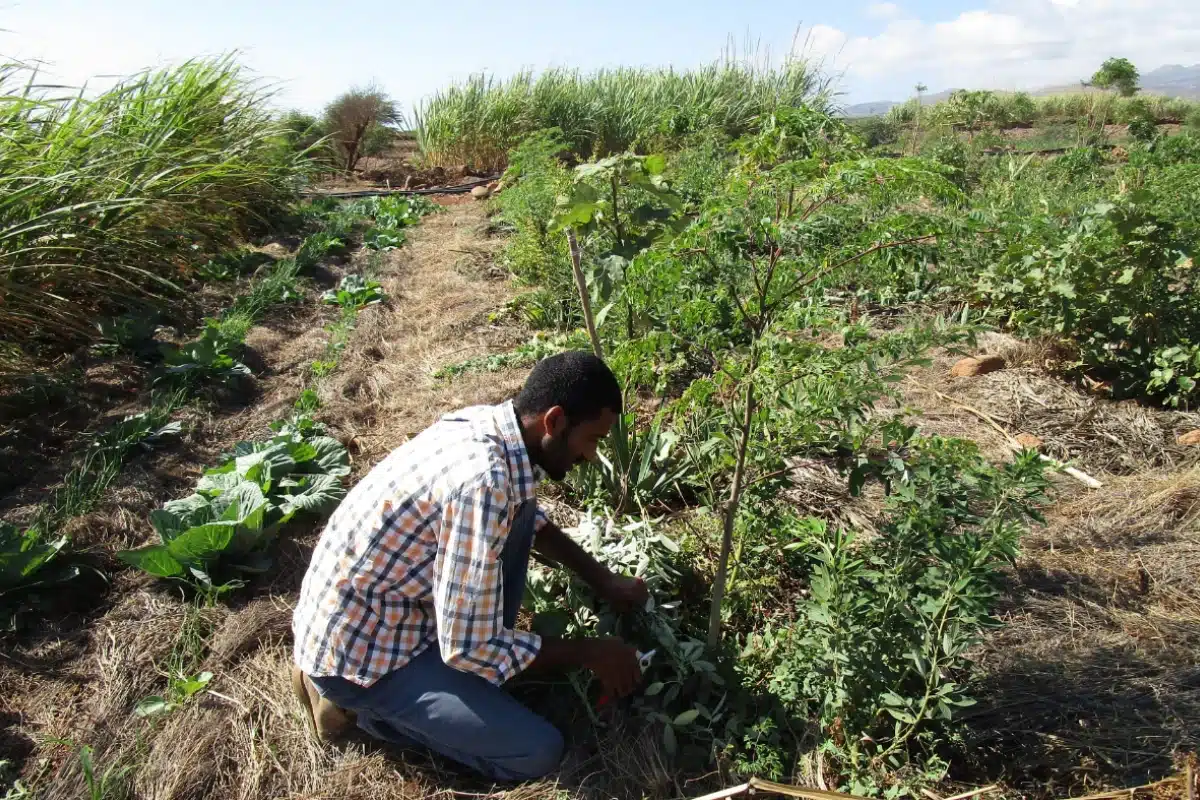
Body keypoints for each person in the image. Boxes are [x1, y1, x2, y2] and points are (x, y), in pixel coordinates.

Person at [291, 351, 649, 781]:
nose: (591, 456)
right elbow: (470, 649)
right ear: (554, 421)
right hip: (362, 654)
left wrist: (603, 579)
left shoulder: (495, 428)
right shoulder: (483, 483)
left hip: (388, 610)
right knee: (537, 752)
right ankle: (358, 711)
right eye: (590, 439)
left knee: (519, 519)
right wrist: (592, 653)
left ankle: (450, 687)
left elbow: (528, 520)